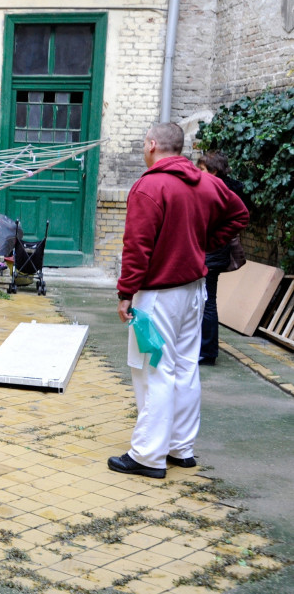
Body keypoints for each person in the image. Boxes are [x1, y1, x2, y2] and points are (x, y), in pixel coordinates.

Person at [111, 123, 249, 479]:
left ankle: (147, 455)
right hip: (193, 291)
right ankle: (180, 448)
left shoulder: (150, 186)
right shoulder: (207, 182)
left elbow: (136, 247)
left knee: (153, 369)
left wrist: (126, 292)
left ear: (153, 145)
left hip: (157, 295)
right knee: (186, 368)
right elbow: (239, 214)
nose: (144, 150)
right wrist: (203, 244)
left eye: (144, 144)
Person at [196, 151, 251, 365]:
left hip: (212, 252)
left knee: (206, 301)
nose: (197, 173)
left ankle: (207, 352)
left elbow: (238, 218)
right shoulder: (226, 188)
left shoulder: (219, 191)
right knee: (206, 299)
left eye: (201, 169)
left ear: (214, 171)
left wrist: (213, 240)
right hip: (215, 250)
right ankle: (204, 349)